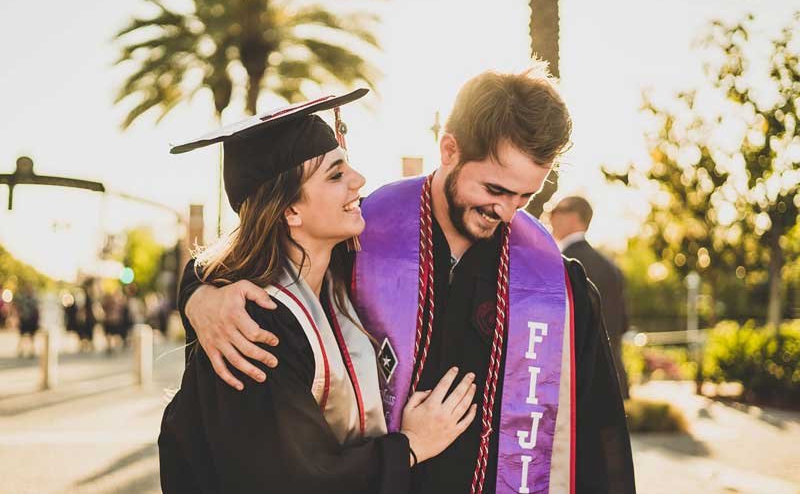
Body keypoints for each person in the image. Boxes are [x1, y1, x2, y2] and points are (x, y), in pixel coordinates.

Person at [180, 67, 636, 493]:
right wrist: (199, 294)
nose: (507, 212)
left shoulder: (554, 286)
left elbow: (600, 436)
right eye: (494, 189)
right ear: (449, 150)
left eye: (525, 195)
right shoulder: (359, 240)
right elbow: (256, 256)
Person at [159, 90, 477, 494]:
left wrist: (195, 293)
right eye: (335, 174)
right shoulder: (252, 326)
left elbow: (206, 267)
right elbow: (292, 479)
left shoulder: (339, 276)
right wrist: (410, 447)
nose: (359, 181)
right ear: (289, 211)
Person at [549, 196, 631, 399]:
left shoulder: (560, 265)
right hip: (611, 380)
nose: (550, 217)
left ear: (573, 217)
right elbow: (622, 323)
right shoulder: (611, 268)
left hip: (573, 383)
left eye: (555, 210)